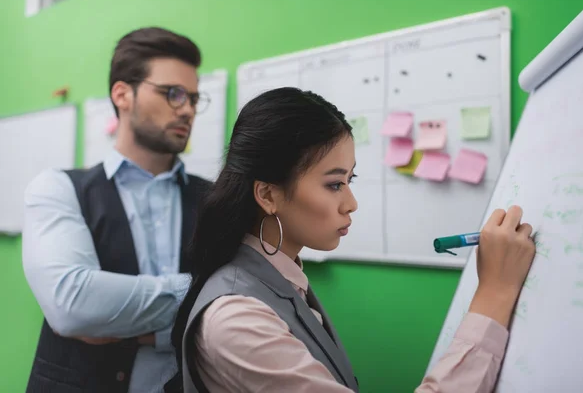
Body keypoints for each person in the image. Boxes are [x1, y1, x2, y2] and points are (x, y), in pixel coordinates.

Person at [167, 87, 537, 392]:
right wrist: (494, 294)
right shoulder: (236, 319)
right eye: (334, 184)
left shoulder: (279, 276)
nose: (351, 203)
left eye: (350, 180)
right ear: (267, 195)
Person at [22, 27, 212, 392]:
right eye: (173, 93)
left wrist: (122, 323)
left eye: (193, 97)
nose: (187, 109)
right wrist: (198, 296)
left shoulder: (217, 200)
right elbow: (73, 304)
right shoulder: (58, 189)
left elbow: (246, 299)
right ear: (122, 94)